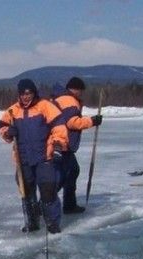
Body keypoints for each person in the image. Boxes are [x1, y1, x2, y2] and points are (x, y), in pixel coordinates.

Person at [0, 79, 69, 234]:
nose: (25, 96)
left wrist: (57, 146)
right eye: (22, 93)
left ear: (34, 92)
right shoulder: (12, 111)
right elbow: (2, 127)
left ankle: (52, 224)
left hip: (44, 157)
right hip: (23, 160)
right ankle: (32, 222)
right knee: (27, 192)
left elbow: (59, 127)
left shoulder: (45, 106)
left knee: (48, 190)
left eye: (28, 93)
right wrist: (8, 132)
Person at [51, 76, 103, 214]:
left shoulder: (60, 98)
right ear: (76, 89)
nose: (81, 93)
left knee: (70, 172)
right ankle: (51, 203)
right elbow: (72, 122)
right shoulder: (69, 100)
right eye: (81, 90)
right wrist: (92, 121)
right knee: (65, 174)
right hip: (63, 143)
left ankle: (67, 204)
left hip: (59, 142)